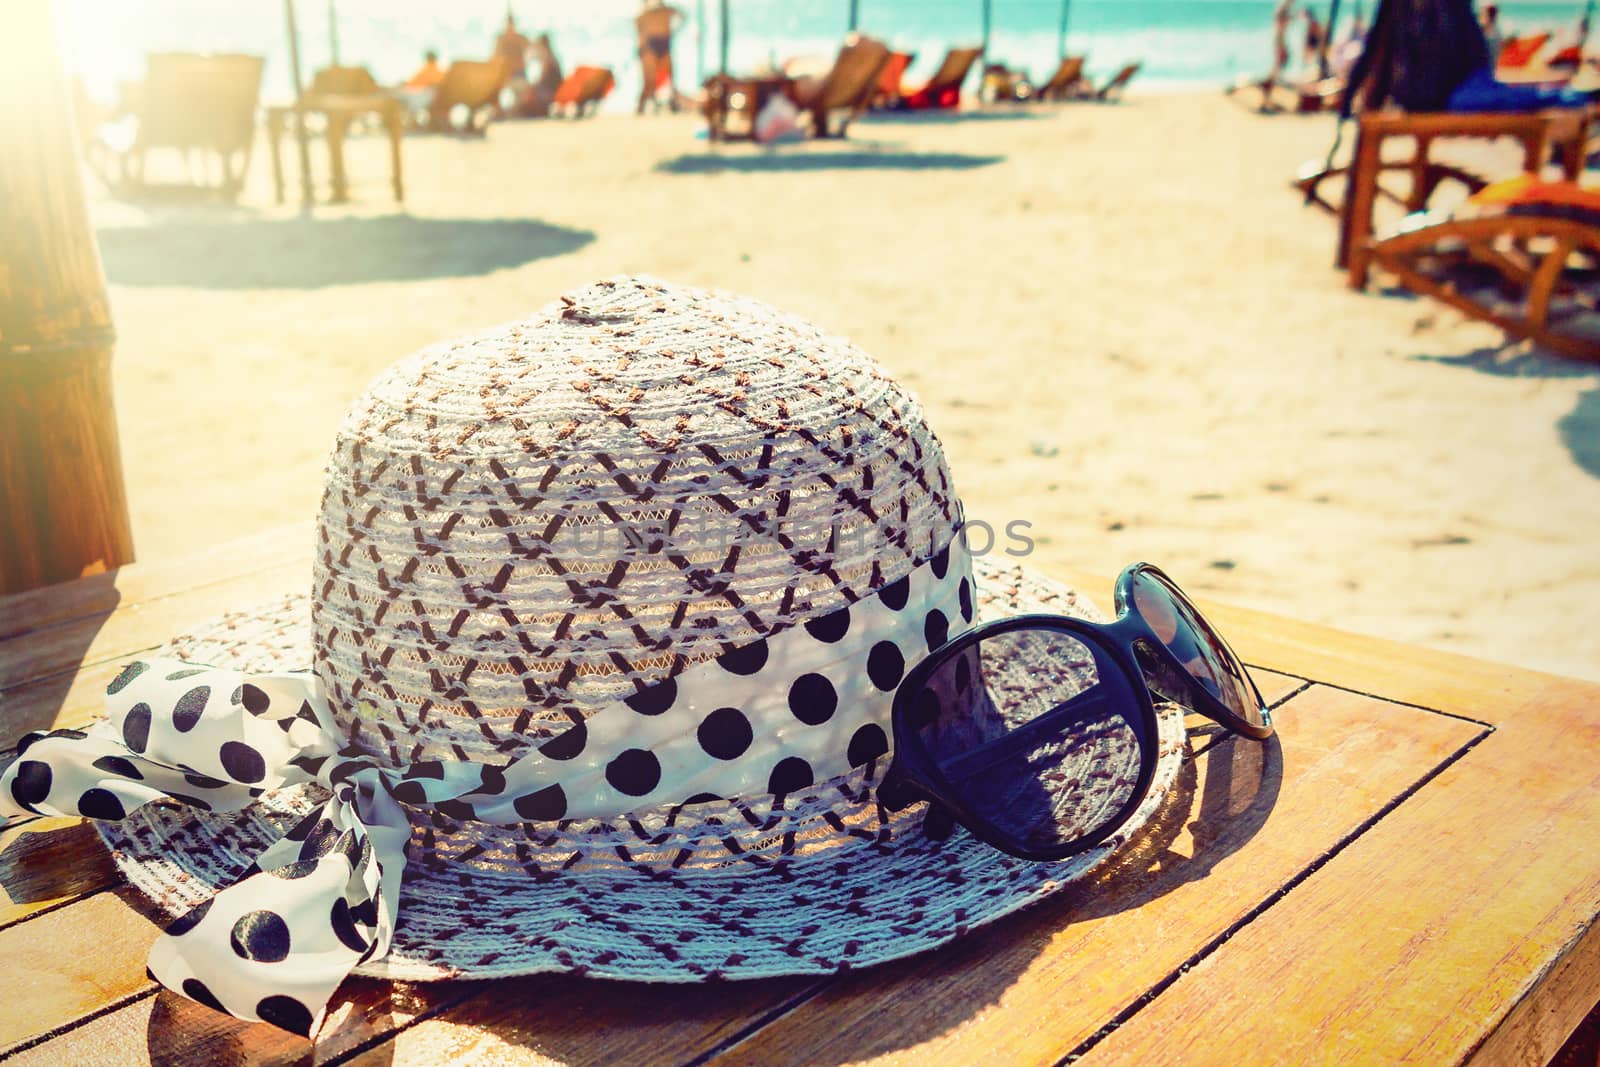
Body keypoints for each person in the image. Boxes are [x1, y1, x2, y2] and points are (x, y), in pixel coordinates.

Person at [635, 0, 685, 113]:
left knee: (670, 76)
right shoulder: (643, 14)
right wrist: (642, 48)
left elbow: (682, 15)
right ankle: (642, 106)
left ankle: (671, 102)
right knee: (649, 80)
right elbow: (639, 31)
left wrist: (674, 31)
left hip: (663, 43)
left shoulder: (667, 10)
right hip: (650, 46)